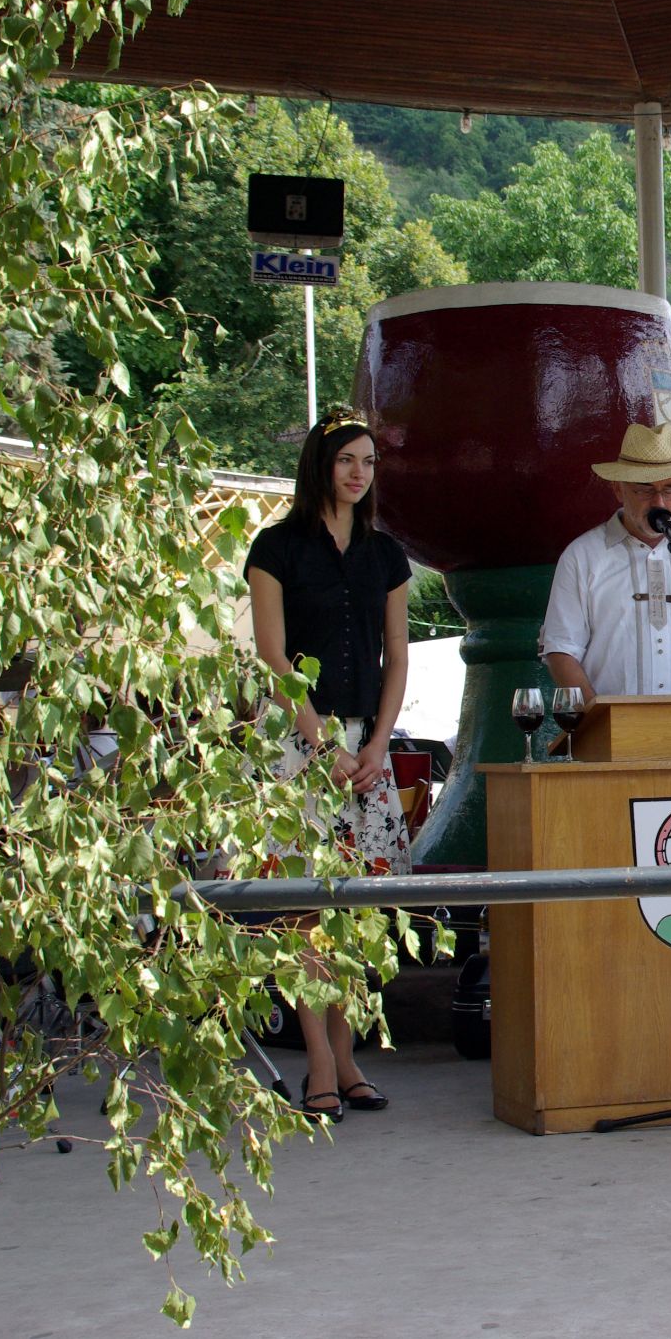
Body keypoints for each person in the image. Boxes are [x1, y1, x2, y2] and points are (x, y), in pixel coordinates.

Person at [247, 404, 413, 1121]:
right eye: (347, 459)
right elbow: (272, 655)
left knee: (359, 908)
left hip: (367, 743)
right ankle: (319, 1060)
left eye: (369, 462)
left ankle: (346, 1059)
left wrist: (377, 744)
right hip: (299, 739)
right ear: (320, 463)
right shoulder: (276, 546)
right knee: (305, 907)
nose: (359, 473)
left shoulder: (385, 554)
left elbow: (397, 655)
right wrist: (323, 746)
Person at [540, 423, 671, 699]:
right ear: (618, 489)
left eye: (670, 489)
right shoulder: (582, 556)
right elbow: (560, 649)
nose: (659, 502)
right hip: (614, 723)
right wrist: (600, 717)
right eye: (645, 490)